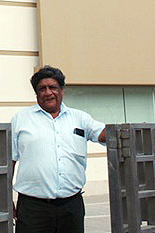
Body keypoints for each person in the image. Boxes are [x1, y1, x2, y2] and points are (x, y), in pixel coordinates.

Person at [11, 65, 106, 233]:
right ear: (36, 93)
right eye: (42, 89)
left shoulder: (80, 118)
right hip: (33, 208)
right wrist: (5, 200)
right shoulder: (21, 119)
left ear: (62, 90)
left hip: (71, 206)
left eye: (52, 87)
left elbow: (104, 134)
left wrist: (129, 130)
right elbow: (9, 161)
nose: (48, 92)